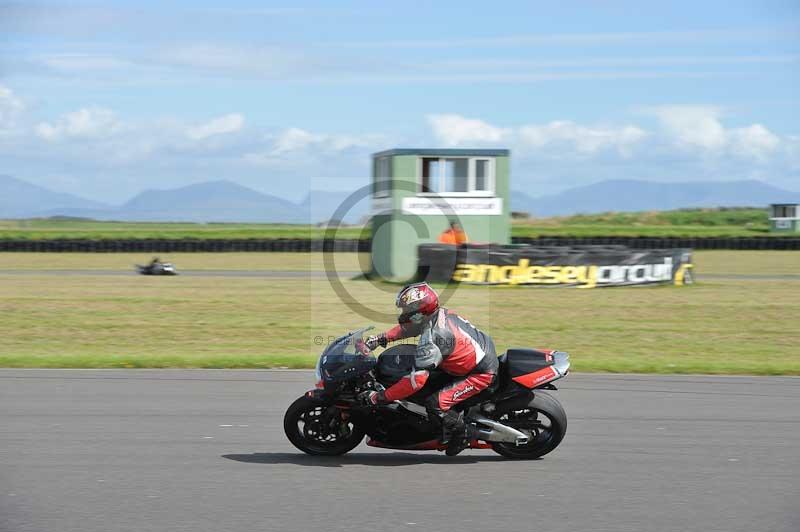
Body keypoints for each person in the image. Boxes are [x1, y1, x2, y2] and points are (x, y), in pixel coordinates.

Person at [362, 282, 498, 456]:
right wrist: (382, 338)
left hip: (479, 373)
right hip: (474, 354)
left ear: (420, 312)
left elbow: (415, 382)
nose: (403, 314)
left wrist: (380, 397)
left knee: (435, 404)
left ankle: (462, 433)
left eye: (407, 310)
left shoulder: (434, 339)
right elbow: (410, 328)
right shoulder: (436, 315)